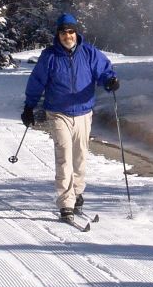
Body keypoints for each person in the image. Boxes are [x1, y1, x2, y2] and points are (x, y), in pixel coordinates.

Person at [22, 13, 119, 222]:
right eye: (64, 32)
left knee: (80, 156)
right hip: (58, 112)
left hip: (83, 112)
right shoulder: (50, 56)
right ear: (58, 35)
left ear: (76, 32)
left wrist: (110, 81)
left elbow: (104, 71)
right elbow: (37, 81)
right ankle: (66, 203)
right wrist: (29, 106)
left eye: (71, 32)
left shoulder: (89, 52)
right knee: (64, 156)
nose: (68, 36)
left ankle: (77, 191)